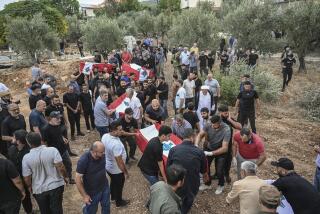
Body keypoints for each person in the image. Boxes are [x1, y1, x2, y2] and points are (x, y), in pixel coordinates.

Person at [22, 132, 68, 214]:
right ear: (41, 140)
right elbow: (61, 166)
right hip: (56, 185)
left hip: (39, 188)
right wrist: (65, 177)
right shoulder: (52, 150)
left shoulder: (26, 158)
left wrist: (29, 187)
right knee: (57, 209)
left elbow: (27, 177)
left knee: (44, 210)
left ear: (29, 143)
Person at [167, 128, 208, 214]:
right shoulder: (199, 152)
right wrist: (205, 177)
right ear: (192, 137)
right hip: (192, 183)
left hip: (176, 182)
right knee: (188, 201)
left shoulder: (173, 150)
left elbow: (168, 167)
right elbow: (204, 170)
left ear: (182, 137)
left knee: (176, 199)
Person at [196, 115, 231, 194]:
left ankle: (221, 185)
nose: (212, 126)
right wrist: (196, 145)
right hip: (209, 147)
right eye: (211, 124)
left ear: (220, 123)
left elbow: (225, 148)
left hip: (221, 150)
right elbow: (200, 135)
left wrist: (211, 153)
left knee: (219, 170)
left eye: (214, 124)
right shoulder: (209, 124)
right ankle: (208, 184)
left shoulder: (226, 129)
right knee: (205, 167)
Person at [76, 141, 110, 214]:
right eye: (101, 152)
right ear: (94, 152)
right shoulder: (83, 160)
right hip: (92, 192)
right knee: (91, 211)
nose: (104, 154)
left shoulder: (102, 155)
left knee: (106, 206)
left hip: (104, 187)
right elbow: (78, 179)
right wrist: (85, 196)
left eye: (104, 151)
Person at [42, 111, 75, 184]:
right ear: (50, 119)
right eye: (57, 118)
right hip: (54, 153)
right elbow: (44, 142)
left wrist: (63, 138)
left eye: (59, 118)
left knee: (68, 164)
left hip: (63, 150)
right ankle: (61, 181)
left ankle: (69, 178)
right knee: (58, 168)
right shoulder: (45, 129)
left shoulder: (57, 125)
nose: (59, 120)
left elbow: (58, 134)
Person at [102, 120, 130, 207]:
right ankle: (119, 202)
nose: (122, 131)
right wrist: (125, 172)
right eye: (120, 130)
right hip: (116, 169)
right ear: (113, 131)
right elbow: (120, 162)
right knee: (119, 185)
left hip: (108, 166)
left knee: (113, 182)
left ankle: (113, 197)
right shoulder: (115, 144)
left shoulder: (105, 136)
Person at [7, 129, 33, 214]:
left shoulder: (29, 152)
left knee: (30, 195)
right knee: (22, 197)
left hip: (28, 177)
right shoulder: (11, 149)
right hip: (16, 178)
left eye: (14, 138)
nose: (12, 139)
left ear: (18, 141)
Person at [218, 104, 242, 183]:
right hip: (218, 145)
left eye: (227, 112)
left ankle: (227, 175)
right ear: (220, 113)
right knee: (218, 162)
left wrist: (229, 119)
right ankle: (217, 174)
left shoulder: (229, 119)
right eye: (225, 113)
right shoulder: (217, 120)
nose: (227, 114)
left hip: (228, 146)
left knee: (228, 162)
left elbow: (239, 127)